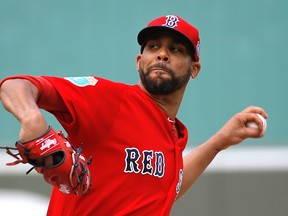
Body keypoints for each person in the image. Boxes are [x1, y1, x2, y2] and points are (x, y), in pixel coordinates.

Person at [0, 14, 267, 215]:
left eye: (175, 49)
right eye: (153, 47)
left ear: (194, 68)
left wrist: (220, 141)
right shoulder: (108, 99)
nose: (162, 54)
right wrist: (32, 119)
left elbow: (165, 188)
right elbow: (16, 85)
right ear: (139, 62)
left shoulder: (172, 135)